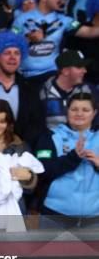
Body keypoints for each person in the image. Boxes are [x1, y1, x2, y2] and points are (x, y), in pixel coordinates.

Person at [11, 0, 99, 87]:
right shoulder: (20, 19)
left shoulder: (66, 21)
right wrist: (28, 38)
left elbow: (89, 32)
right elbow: (10, 43)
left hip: (51, 77)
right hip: (24, 77)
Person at [35, 92, 99, 228]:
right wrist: (73, 157)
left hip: (94, 218)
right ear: (66, 111)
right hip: (55, 215)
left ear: (94, 113)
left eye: (85, 110)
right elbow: (42, 170)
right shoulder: (50, 136)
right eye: (74, 109)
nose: (79, 114)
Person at [0, 30, 44, 148]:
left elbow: (36, 123)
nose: (12, 57)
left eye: (17, 53)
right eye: (7, 53)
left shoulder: (29, 88)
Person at [0, 99, 39, 216]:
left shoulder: (20, 147)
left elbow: (31, 189)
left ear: (9, 123)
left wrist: (28, 177)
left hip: (14, 210)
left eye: (2, 122)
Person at [39, 49, 98, 130]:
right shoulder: (41, 92)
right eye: (79, 67)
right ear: (65, 71)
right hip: (52, 140)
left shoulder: (91, 91)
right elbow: (36, 125)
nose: (85, 71)